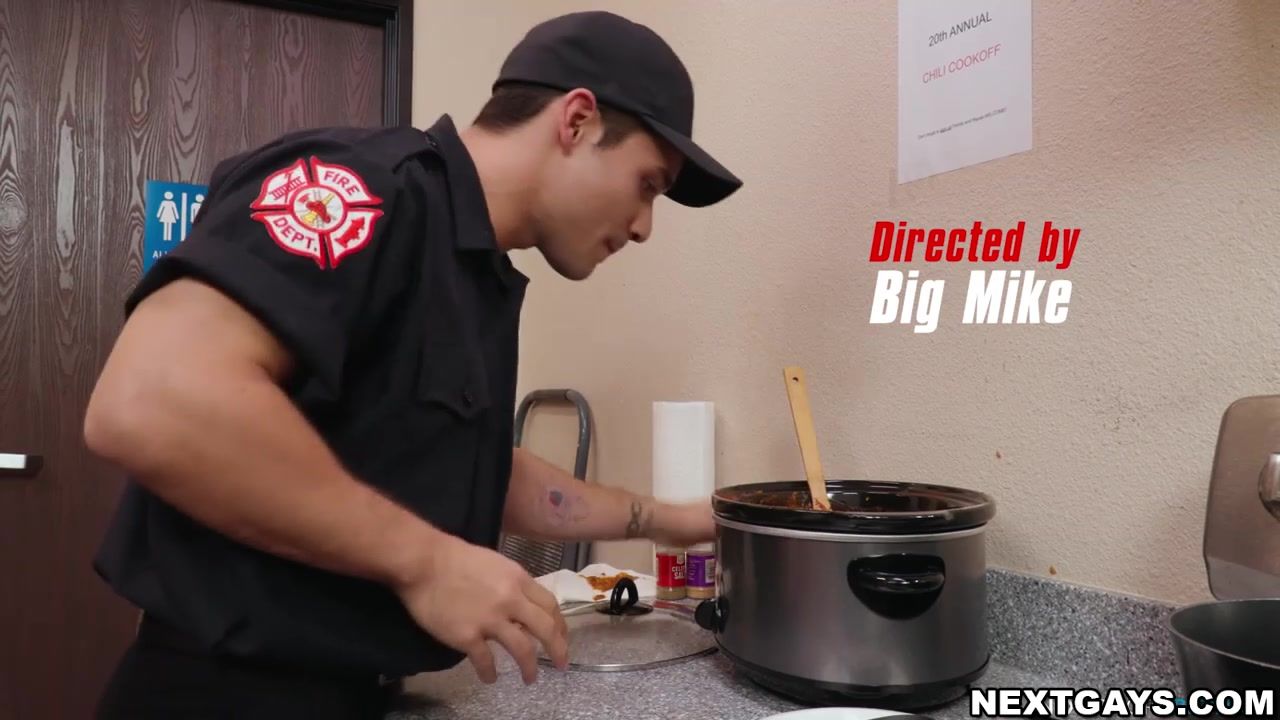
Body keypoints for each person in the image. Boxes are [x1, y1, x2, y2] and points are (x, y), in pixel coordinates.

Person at [84, 10, 742, 720]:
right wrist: (428, 562)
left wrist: (669, 518)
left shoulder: (474, 269)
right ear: (576, 121)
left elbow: (475, 468)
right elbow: (153, 401)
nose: (644, 227)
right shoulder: (362, 186)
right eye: (648, 184)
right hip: (227, 694)